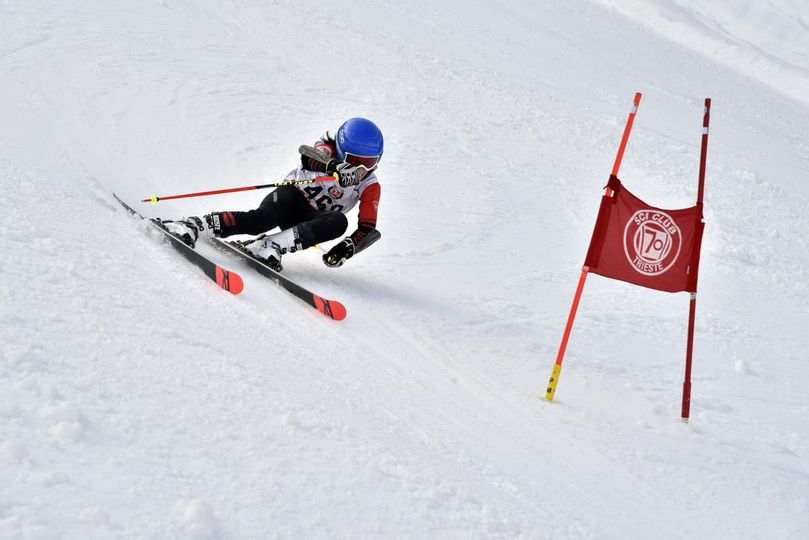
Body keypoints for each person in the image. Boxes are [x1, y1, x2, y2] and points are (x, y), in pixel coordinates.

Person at [163, 117, 383, 271]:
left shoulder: (369, 184)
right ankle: (194, 225)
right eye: (354, 161)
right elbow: (307, 155)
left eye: (369, 163)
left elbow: (367, 228)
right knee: (261, 220)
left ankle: (270, 246)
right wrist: (333, 167)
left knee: (338, 222)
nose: (360, 169)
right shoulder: (328, 150)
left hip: (308, 221)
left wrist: (349, 247)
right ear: (342, 149)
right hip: (290, 197)